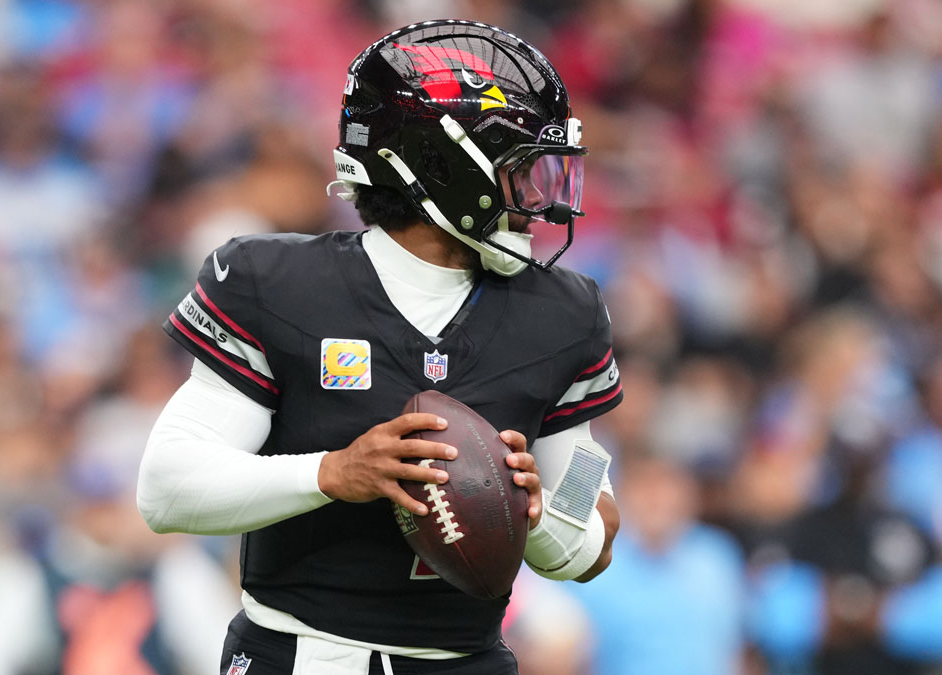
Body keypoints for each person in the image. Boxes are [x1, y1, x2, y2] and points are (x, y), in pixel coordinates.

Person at [136, 20, 623, 675]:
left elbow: (591, 532)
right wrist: (332, 472)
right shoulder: (274, 284)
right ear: (441, 167)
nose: (539, 200)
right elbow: (166, 488)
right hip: (301, 654)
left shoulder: (565, 314)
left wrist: (534, 515)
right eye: (519, 171)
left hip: (467, 660)